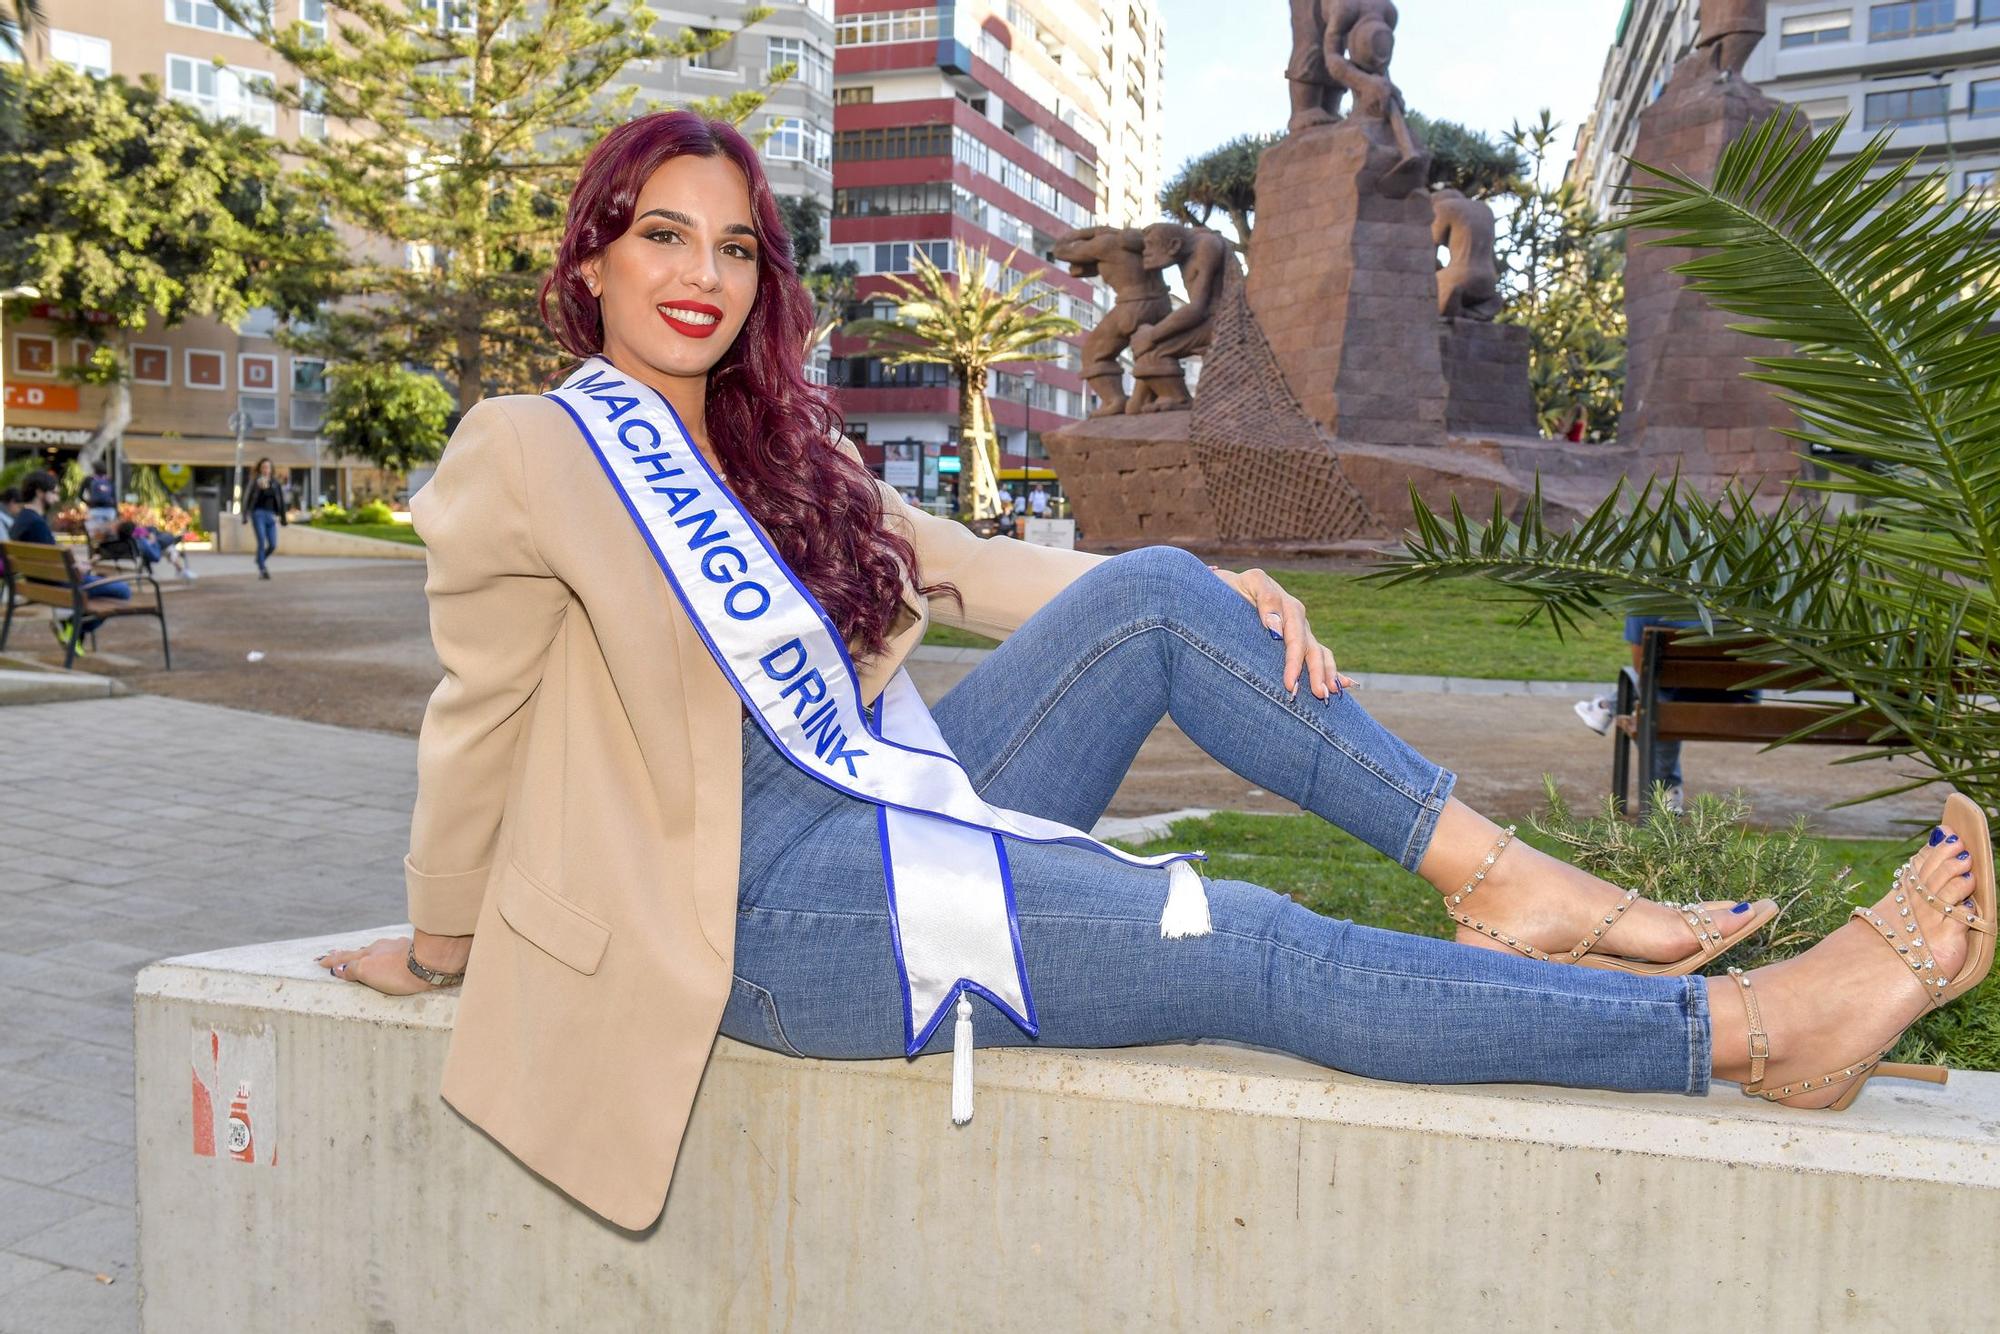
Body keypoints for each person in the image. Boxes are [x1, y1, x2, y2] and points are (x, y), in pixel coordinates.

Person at [316, 111, 1995, 1234]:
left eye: (734, 247)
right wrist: (445, 935)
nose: (698, 276)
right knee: (1237, 936)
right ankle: (1753, 1029)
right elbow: (479, 712)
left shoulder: (775, 446)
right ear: (594, 257)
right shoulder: (533, 448)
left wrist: (1212, 578)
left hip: (887, 808)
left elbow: (975, 572)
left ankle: (1502, 876)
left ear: (765, 279)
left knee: (1165, 595)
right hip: (756, 908)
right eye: (661, 237)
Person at [6, 469, 130, 654]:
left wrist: (76, 565)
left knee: (101, 583)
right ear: (40, 492)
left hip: (36, 584)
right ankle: (75, 626)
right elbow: (56, 565)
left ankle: (72, 625)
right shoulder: (37, 524)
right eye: (54, 492)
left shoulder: (21, 520)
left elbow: (48, 559)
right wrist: (78, 569)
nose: (57, 498)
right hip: (60, 586)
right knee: (123, 590)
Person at [240, 458, 287, 580]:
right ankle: (262, 569)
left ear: (271, 469)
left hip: (271, 515)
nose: (266, 469)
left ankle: (259, 560)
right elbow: (246, 498)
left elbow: (281, 501)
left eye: (268, 467)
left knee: (272, 545)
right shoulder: (255, 482)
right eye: (264, 467)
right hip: (258, 514)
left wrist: (283, 517)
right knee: (261, 541)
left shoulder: (275, 483)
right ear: (260, 469)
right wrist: (244, 515)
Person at [115, 517, 195, 581]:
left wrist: (150, 535)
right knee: (168, 543)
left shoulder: (126, 538)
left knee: (168, 546)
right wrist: (151, 540)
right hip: (155, 546)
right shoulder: (138, 538)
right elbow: (155, 556)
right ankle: (180, 569)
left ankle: (180, 569)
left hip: (151, 546)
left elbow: (150, 530)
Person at [81, 461, 119, 538]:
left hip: (94, 510)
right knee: (109, 535)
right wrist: (116, 511)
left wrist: (88, 503)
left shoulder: (88, 479)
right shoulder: (109, 480)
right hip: (109, 511)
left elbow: (79, 495)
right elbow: (114, 497)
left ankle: (95, 549)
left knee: (94, 536)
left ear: (94, 469)